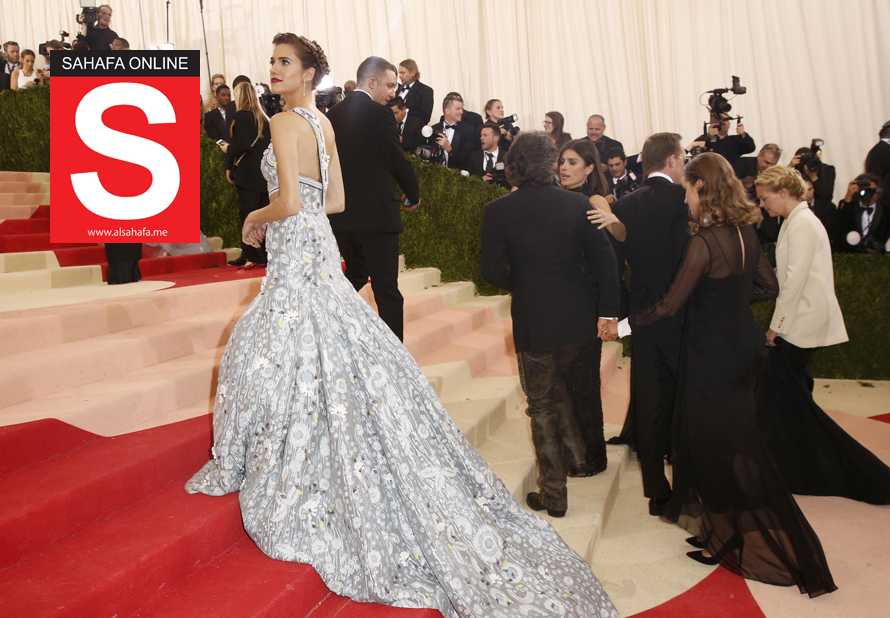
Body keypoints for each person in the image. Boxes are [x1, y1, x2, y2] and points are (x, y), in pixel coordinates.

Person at [185, 37, 620, 617]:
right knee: (320, 339)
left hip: (295, 246)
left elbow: (287, 201)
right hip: (318, 241)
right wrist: (293, 212)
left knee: (275, 343)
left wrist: (254, 217)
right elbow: (332, 200)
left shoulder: (287, 123)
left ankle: (287, 453)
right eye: (272, 61)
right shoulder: (321, 123)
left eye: (285, 62)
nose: (274, 69)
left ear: (310, 73)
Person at [630, 152, 836, 597]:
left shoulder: (704, 243)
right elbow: (769, 285)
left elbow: (669, 305)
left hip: (711, 353)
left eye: (687, 189)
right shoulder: (746, 232)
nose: (684, 198)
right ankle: (722, 528)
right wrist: (729, 303)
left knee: (711, 442)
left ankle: (726, 537)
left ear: (701, 188)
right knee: (734, 439)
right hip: (743, 346)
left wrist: (625, 325)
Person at [481, 131, 620, 520]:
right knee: (566, 394)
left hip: (534, 320)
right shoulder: (577, 205)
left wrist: (525, 283)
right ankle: (577, 459)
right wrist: (607, 313)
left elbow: (491, 272)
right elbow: (606, 264)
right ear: (550, 163)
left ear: (514, 164)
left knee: (542, 404)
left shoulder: (498, 211)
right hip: (579, 320)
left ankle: (555, 493)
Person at [755, 166, 890, 505]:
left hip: (799, 324)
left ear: (783, 192)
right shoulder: (795, 221)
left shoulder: (802, 224)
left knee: (793, 402)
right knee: (793, 399)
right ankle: (800, 466)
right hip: (800, 321)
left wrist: (776, 326)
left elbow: (794, 283)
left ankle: (860, 475)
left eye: (765, 198)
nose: (763, 205)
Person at [588, 133, 690, 515]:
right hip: (684, 316)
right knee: (682, 395)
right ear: (671, 160)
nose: (684, 165)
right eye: (682, 158)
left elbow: (614, 267)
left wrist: (618, 319)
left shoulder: (627, 204)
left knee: (648, 395)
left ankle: (654, 484)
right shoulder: (686, 200)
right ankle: (682, 476)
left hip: (642, 318)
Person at [329, 55, 420, 341]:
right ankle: (395, 358)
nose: (393, 93)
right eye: (390, 85)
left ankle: (329, 328)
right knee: (386, 290)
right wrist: (413, 193)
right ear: (371, 82)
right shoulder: (381, 115)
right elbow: (396, 160)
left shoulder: (332, 115)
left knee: (355, 274)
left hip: (342, 217)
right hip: (378, 218)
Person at [556, 139, 614, 476]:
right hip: (566, 307)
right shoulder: (562, 200)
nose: (564, 167)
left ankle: (593, 456)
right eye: (562, 161)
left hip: (587, 308)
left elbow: (607, 262)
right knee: (568, 383)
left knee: (584, 385)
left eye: (573, 162)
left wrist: (606, 313)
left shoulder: (592, 202)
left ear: (589, 168)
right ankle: (577, 451)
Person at [224, 81, 271, 268]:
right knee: (264, 216)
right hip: (265, 174)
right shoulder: (265, 118)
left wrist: (228, 160)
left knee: (248, 215)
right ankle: (264, 253)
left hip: (247, 175)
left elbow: (239, 145)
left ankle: (251, 254)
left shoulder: (240, 117)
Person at [837, 173, 890, 253]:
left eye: (872, 191)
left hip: (877, 256)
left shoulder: (887, 211)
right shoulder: (849, 206)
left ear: (879, 192)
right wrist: (848, 196)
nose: (868, 194)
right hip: (851, 254)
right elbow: (839, 227)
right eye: (865, 190)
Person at [431, 94, 478, 170]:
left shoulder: (468, 131)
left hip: (457, 175)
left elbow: (467, 160)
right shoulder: (433, 129)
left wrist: (449, 150)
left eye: (462, 109)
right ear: (447, 110)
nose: (461, 112)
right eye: (458, 109)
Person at [395, 59, 433, 140]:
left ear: (413, 73)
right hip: (394, 136)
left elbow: (425, 117)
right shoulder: (397, 90)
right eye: (399, 73)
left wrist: (405, 133)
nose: (400, 76)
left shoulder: (426, 91)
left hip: (413, 138)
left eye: (403, 73)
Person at [464, 123, 508, 188]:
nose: (481, 138)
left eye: (485, 135)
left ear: (496, 138)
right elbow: (466, 181)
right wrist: (480, 180)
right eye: (481, 135)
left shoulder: (507, 157)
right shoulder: (473, 157)